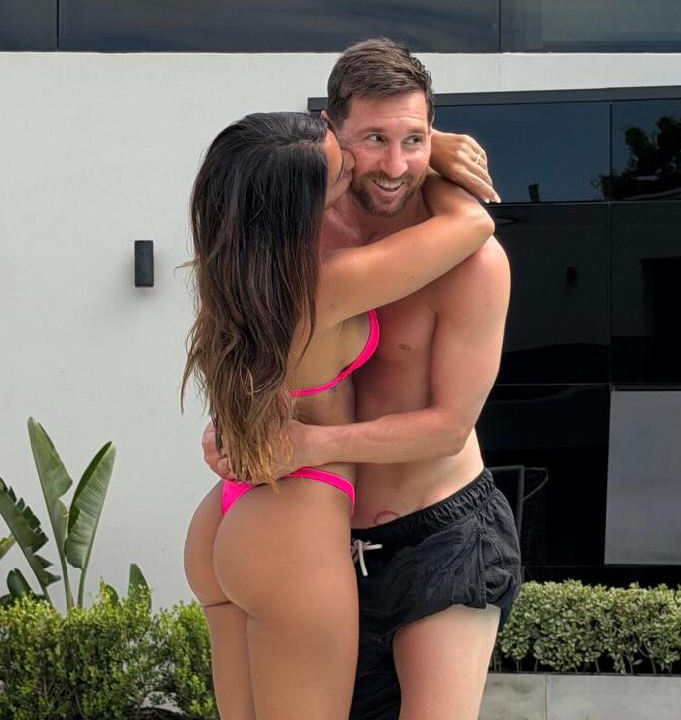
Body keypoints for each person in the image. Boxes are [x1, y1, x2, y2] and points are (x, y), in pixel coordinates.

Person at [203, 39, 521, 720]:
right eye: (375, 139)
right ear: (332, 134)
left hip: (436, 535)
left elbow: (448, 428)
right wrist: (240, 429)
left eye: (414, 140)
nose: (395, 165)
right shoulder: (308, 233)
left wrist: (298, 441)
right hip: (317, 536)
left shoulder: (474, 264)